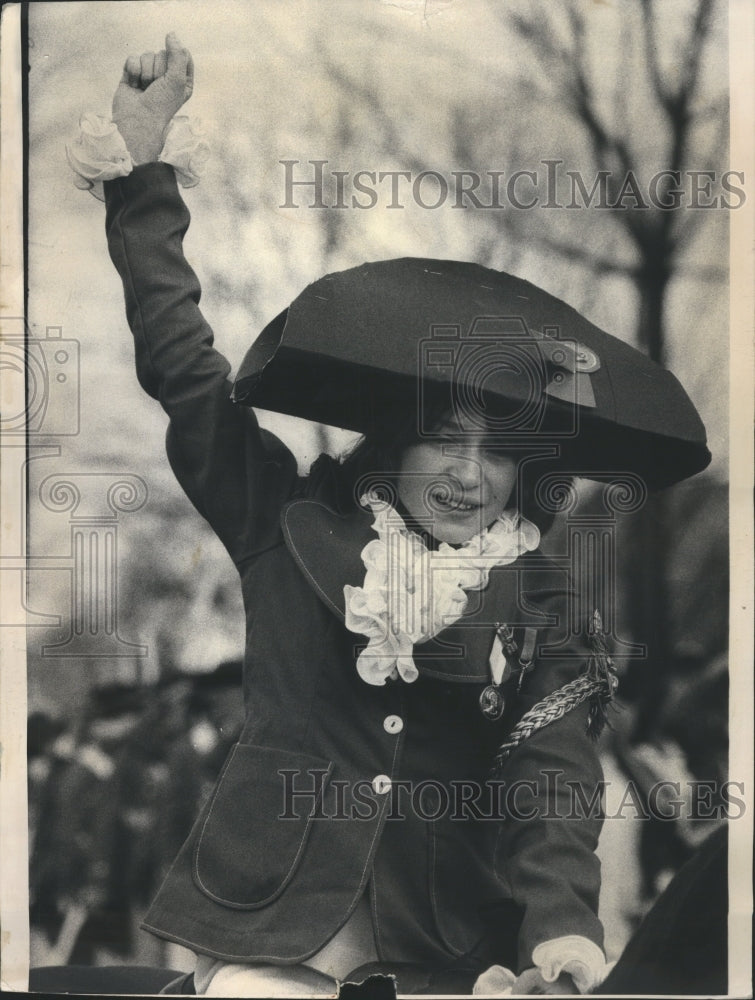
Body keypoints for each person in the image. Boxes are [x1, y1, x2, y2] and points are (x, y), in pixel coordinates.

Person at [66, 33, 710, 996]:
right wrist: (144, 176)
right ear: (393, 444)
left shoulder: (547, 605)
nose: (467, 473)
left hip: (450, 948)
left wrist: (561, 935)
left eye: (499, 452)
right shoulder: (283, 526)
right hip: (268, 930)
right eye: (444, 440)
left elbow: (552, 783)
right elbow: (187, 375)